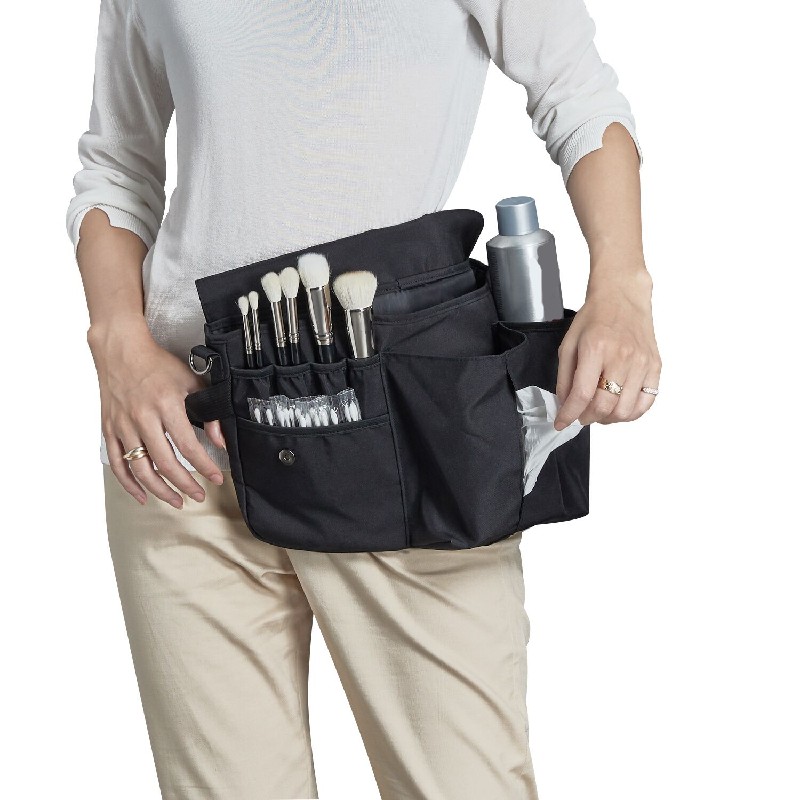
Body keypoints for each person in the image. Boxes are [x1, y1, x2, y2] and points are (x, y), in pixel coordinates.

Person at [65, 1, 661, 798]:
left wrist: (622, 288)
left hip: (402, 432)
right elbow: (117, 164)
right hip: (184, 436)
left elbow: (578, 96)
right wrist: (118, 343)